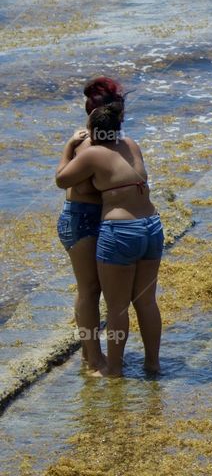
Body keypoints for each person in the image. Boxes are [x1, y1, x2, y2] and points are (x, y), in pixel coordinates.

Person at [55, 97, 164, 377]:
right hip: (151, 225)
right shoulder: (131, 146)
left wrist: (69, 145)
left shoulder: (90, 154)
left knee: (116, 307)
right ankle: (152, 364)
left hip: (120, 230)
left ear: (92, 130)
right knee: (146, 301)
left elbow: (61, 179)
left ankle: (112, 369)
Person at [56, 77, 125, 372]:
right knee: (89, 290)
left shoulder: (101, 138)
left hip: (92, 218)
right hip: (81, 218)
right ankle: (92, 356)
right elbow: (79, 188)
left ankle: (90, 354)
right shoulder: (88, 142)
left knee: (94, 289)